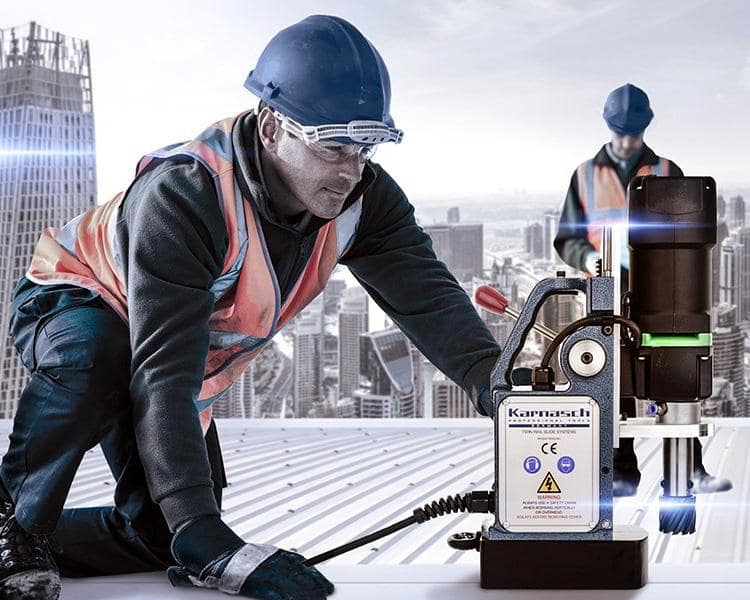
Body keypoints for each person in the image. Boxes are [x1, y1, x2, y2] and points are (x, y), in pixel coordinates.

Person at [0, 15, 502, 600]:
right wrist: (208, 537)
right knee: (97, 357)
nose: (351, 169)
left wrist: (502, 392)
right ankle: (12, 522)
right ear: (270, 126)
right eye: (333, 145)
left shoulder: (361, 198)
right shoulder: (186, 194)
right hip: (75, 299)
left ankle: (30, 541)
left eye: (365, 147)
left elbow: (429, 298)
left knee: (164, 533)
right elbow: (164, 369)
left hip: (165, 346)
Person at [554, 83, 733, 498]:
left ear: (645, 128)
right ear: (608, 126)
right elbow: (566, 237)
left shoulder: (667, 171)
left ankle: (689, 470)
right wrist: (590, 262)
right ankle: (620, 472)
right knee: (614, 377)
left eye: (633, 133)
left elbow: (689, 228)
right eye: (620, 132)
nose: (626, 141)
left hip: (663, 289)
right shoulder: (584, 175)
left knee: (675, 372)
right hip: (607, 291)